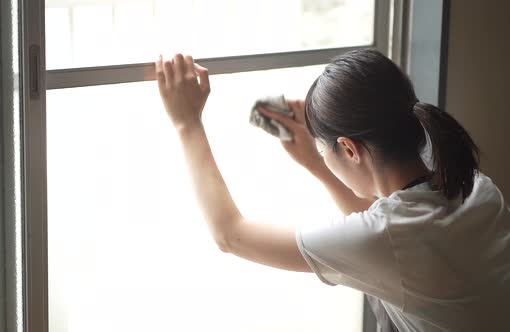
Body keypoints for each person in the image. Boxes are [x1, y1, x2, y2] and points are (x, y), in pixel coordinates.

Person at [154, 49, 510, 331]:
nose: (323, 156)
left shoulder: (389, 239)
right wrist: (318, 163)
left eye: (326, 149)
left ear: (350, 149)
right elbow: (386, 232)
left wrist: (187, 122)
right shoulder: (476, 186)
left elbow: (230, 235)